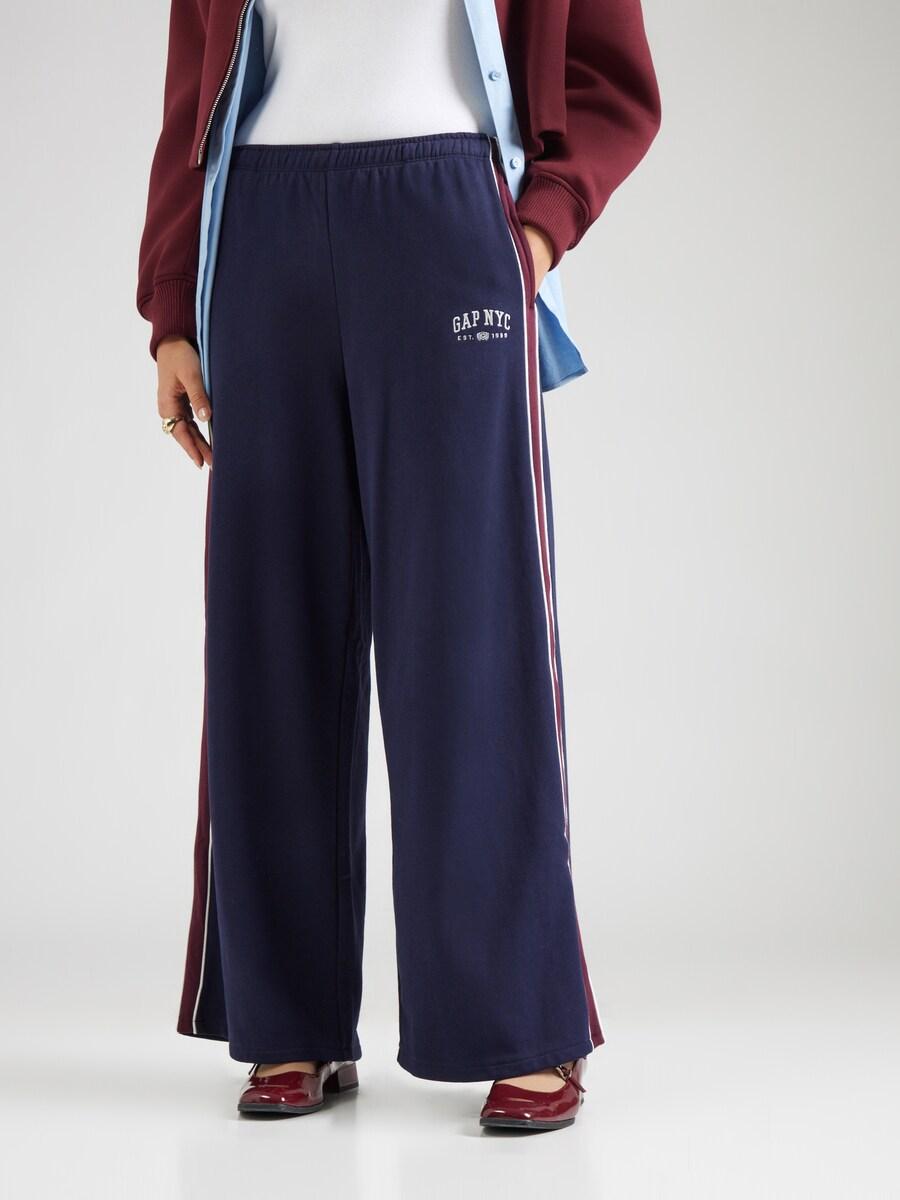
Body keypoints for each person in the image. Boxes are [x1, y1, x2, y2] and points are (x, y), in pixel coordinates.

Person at [137, 0, 660, 1132]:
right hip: (259, 226)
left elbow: (613, 77)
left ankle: (518, 1020)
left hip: (446, 218)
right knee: (269, 630)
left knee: (468, 629)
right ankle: (290, 1019)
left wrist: (535, 227)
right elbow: (194, 90)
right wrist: (173, 307)